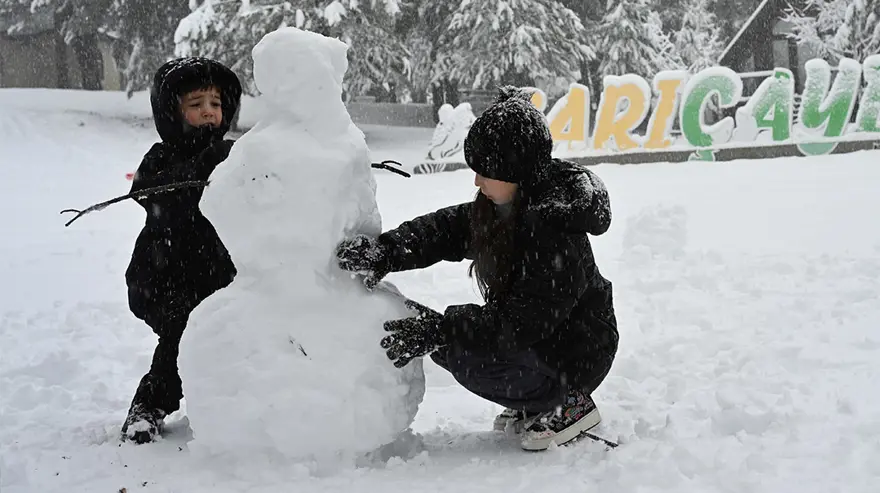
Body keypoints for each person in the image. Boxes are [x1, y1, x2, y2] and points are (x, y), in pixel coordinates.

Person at [335, 86, 618, 451]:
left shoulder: (556, 235)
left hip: (577, 355)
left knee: (465, 354)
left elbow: (519, 324)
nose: (476, 182)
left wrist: (442, 329)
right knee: (453, 344)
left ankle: (565, 401)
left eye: (486, 172)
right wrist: (387, 251)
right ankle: (536, 396)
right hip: (544, 344)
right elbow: (446, 231)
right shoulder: (507, 206)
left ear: (518, 172)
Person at [120, 57, 243, 444]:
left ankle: (242, 403)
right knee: (180, 336)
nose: (209, 111)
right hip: (165, 275)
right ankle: (149, 406)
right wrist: (203, 166)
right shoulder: (161, 157)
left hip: (221, 273)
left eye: (216, 103)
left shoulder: (236, 155)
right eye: (196, 104)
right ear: (173, 112)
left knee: (235, 335)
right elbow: (157, 198)